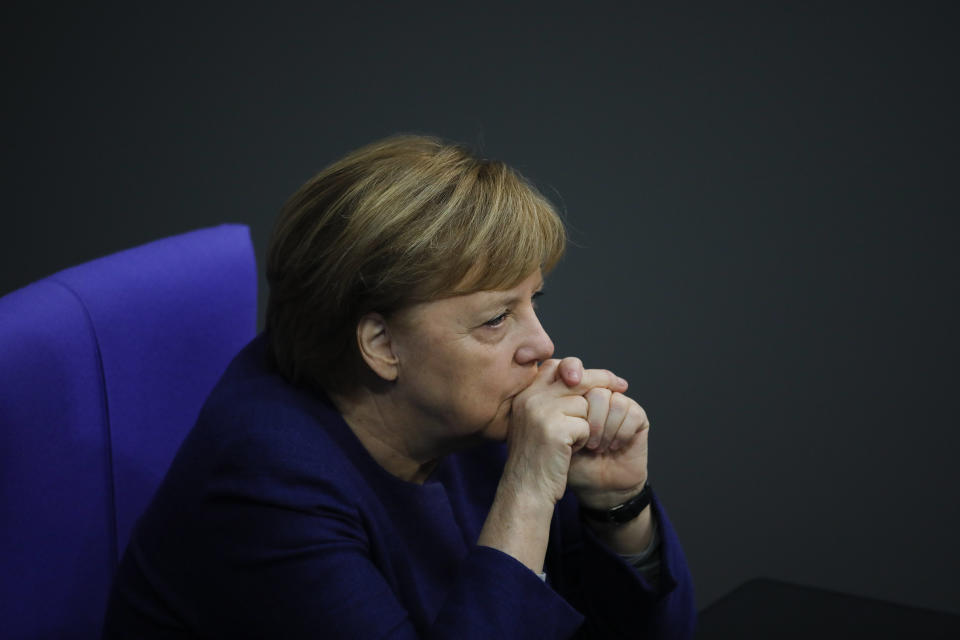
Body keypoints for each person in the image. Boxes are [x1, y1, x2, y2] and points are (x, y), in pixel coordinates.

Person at [103, 135, 696, 638]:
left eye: (531, 302)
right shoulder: (265, 484)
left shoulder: (471, 406)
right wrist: (527, 495)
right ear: (381, 346)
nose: (542, 346)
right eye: (496, 318)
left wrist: (617, 507)